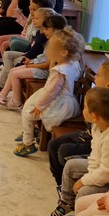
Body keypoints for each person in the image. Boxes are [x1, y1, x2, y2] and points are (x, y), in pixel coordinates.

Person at [47, 61, 109, 193]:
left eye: (98, 75)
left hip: (101, 146)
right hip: (90, 136)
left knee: (64, 151)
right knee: (54, 145)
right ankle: (62, 183)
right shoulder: (98, 98)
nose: (94, 77)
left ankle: (72, 185)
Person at [47, 87, 109, 216]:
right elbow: (94, 155)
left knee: (84, 192)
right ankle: (67, 204)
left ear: (94, 116)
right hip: (100, 169)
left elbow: (107, 173)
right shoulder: (98, 125)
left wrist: (84, 181)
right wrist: (89, 174)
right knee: (71, 165)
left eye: (85, 107)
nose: (83, 110)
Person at [14, 26, 85, 157]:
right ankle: (30, 131)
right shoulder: (73, 64)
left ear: (63, 52)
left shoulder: (59, 71)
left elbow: (51, 91)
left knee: (27, 113)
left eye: (51, 49)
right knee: (29, 106)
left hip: (57, 103)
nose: (47, 51)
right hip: (66, 100)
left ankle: (28, 143)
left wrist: (39, 106)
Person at [0, 12, 63, 109]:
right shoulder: (52, 40)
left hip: (43, 71)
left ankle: (16, 102)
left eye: (47, 29)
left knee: (15, 74)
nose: (44, 31)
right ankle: (2, 95)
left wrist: (31, 65)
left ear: (56, 30)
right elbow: (42, 57)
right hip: (38, 65)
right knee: (12, 71)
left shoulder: (57, 44)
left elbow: (46, 65)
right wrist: (32, 62)